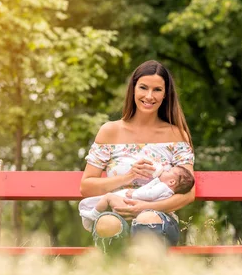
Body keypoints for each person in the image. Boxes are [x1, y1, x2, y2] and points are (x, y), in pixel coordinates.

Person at [79, 60, 195, 246]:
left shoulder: (176, 135)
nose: (149, 96)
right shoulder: (110, 131)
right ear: (133, 89)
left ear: (166, 94)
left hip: (159, 217)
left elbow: (188, 194)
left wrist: (145, 207)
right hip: (115, 213)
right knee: (108, 223)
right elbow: (86, 187)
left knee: (147, 219)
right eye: (143, 88)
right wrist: (129, 176)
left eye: (157, 89)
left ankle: (148, 274)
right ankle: (111, 274)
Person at [79, 165, 195, 234]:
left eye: (169, 171)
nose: (165, 170)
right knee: (111, 211)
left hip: (134, 206)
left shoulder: (163, 187)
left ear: (172, 182)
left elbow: (149, 194)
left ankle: (94, 214)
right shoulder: (166, 189)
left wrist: (135, 193)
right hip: (137, 210)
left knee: (109, 197)